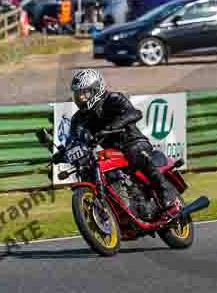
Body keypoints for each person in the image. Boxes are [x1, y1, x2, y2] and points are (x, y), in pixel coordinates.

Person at [65, 69, 183, 219]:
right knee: (94, 170)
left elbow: (134, 113)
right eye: (78, 94)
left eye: (84, 93)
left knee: (136, 153)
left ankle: (166, 191)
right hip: (113, 151)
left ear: (96, 89)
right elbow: (74, 136)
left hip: (132, 140)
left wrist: (111, 127)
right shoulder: (78, 118)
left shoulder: (112, 99)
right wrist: (64, 151)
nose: (81, 98)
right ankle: (123, 206)